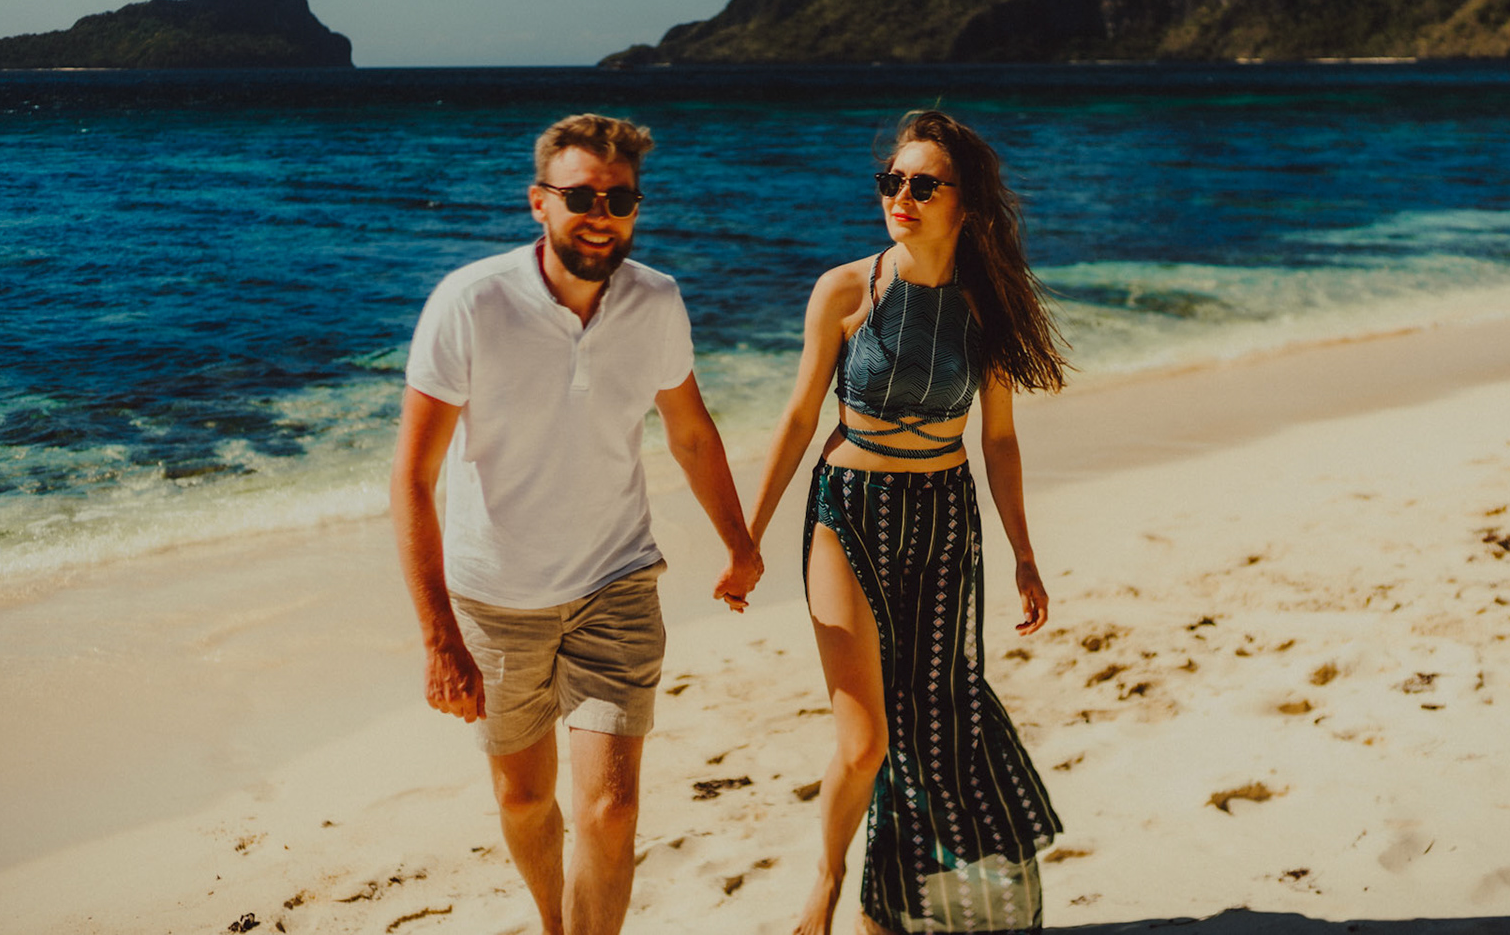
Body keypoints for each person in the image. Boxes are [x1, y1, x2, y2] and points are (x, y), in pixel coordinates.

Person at [390, 112, 764, 935]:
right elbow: (413, 479)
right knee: (525, 801)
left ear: (637, 207)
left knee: (610, 811)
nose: (600, 212)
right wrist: (438, 638)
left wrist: (739, 542)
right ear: (539, 202)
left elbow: (692, 432)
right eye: (581, 195)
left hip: (616, 582)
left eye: (620, 199)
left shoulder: (656, 300)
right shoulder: (472, 302)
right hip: (496, 599)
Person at [748, 109, 1068, 935]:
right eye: (893, 180)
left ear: (967, 201)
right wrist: (745, 538)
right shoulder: (846, 291)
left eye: (924, 184)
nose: (902, 196)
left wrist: (1025, 556)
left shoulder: (988, 305)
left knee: (936, 719)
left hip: (943, 519)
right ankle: (825, 881)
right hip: (848, 515)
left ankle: (885, 908)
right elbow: (794, 421)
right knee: (865, 741)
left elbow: (998, 438)